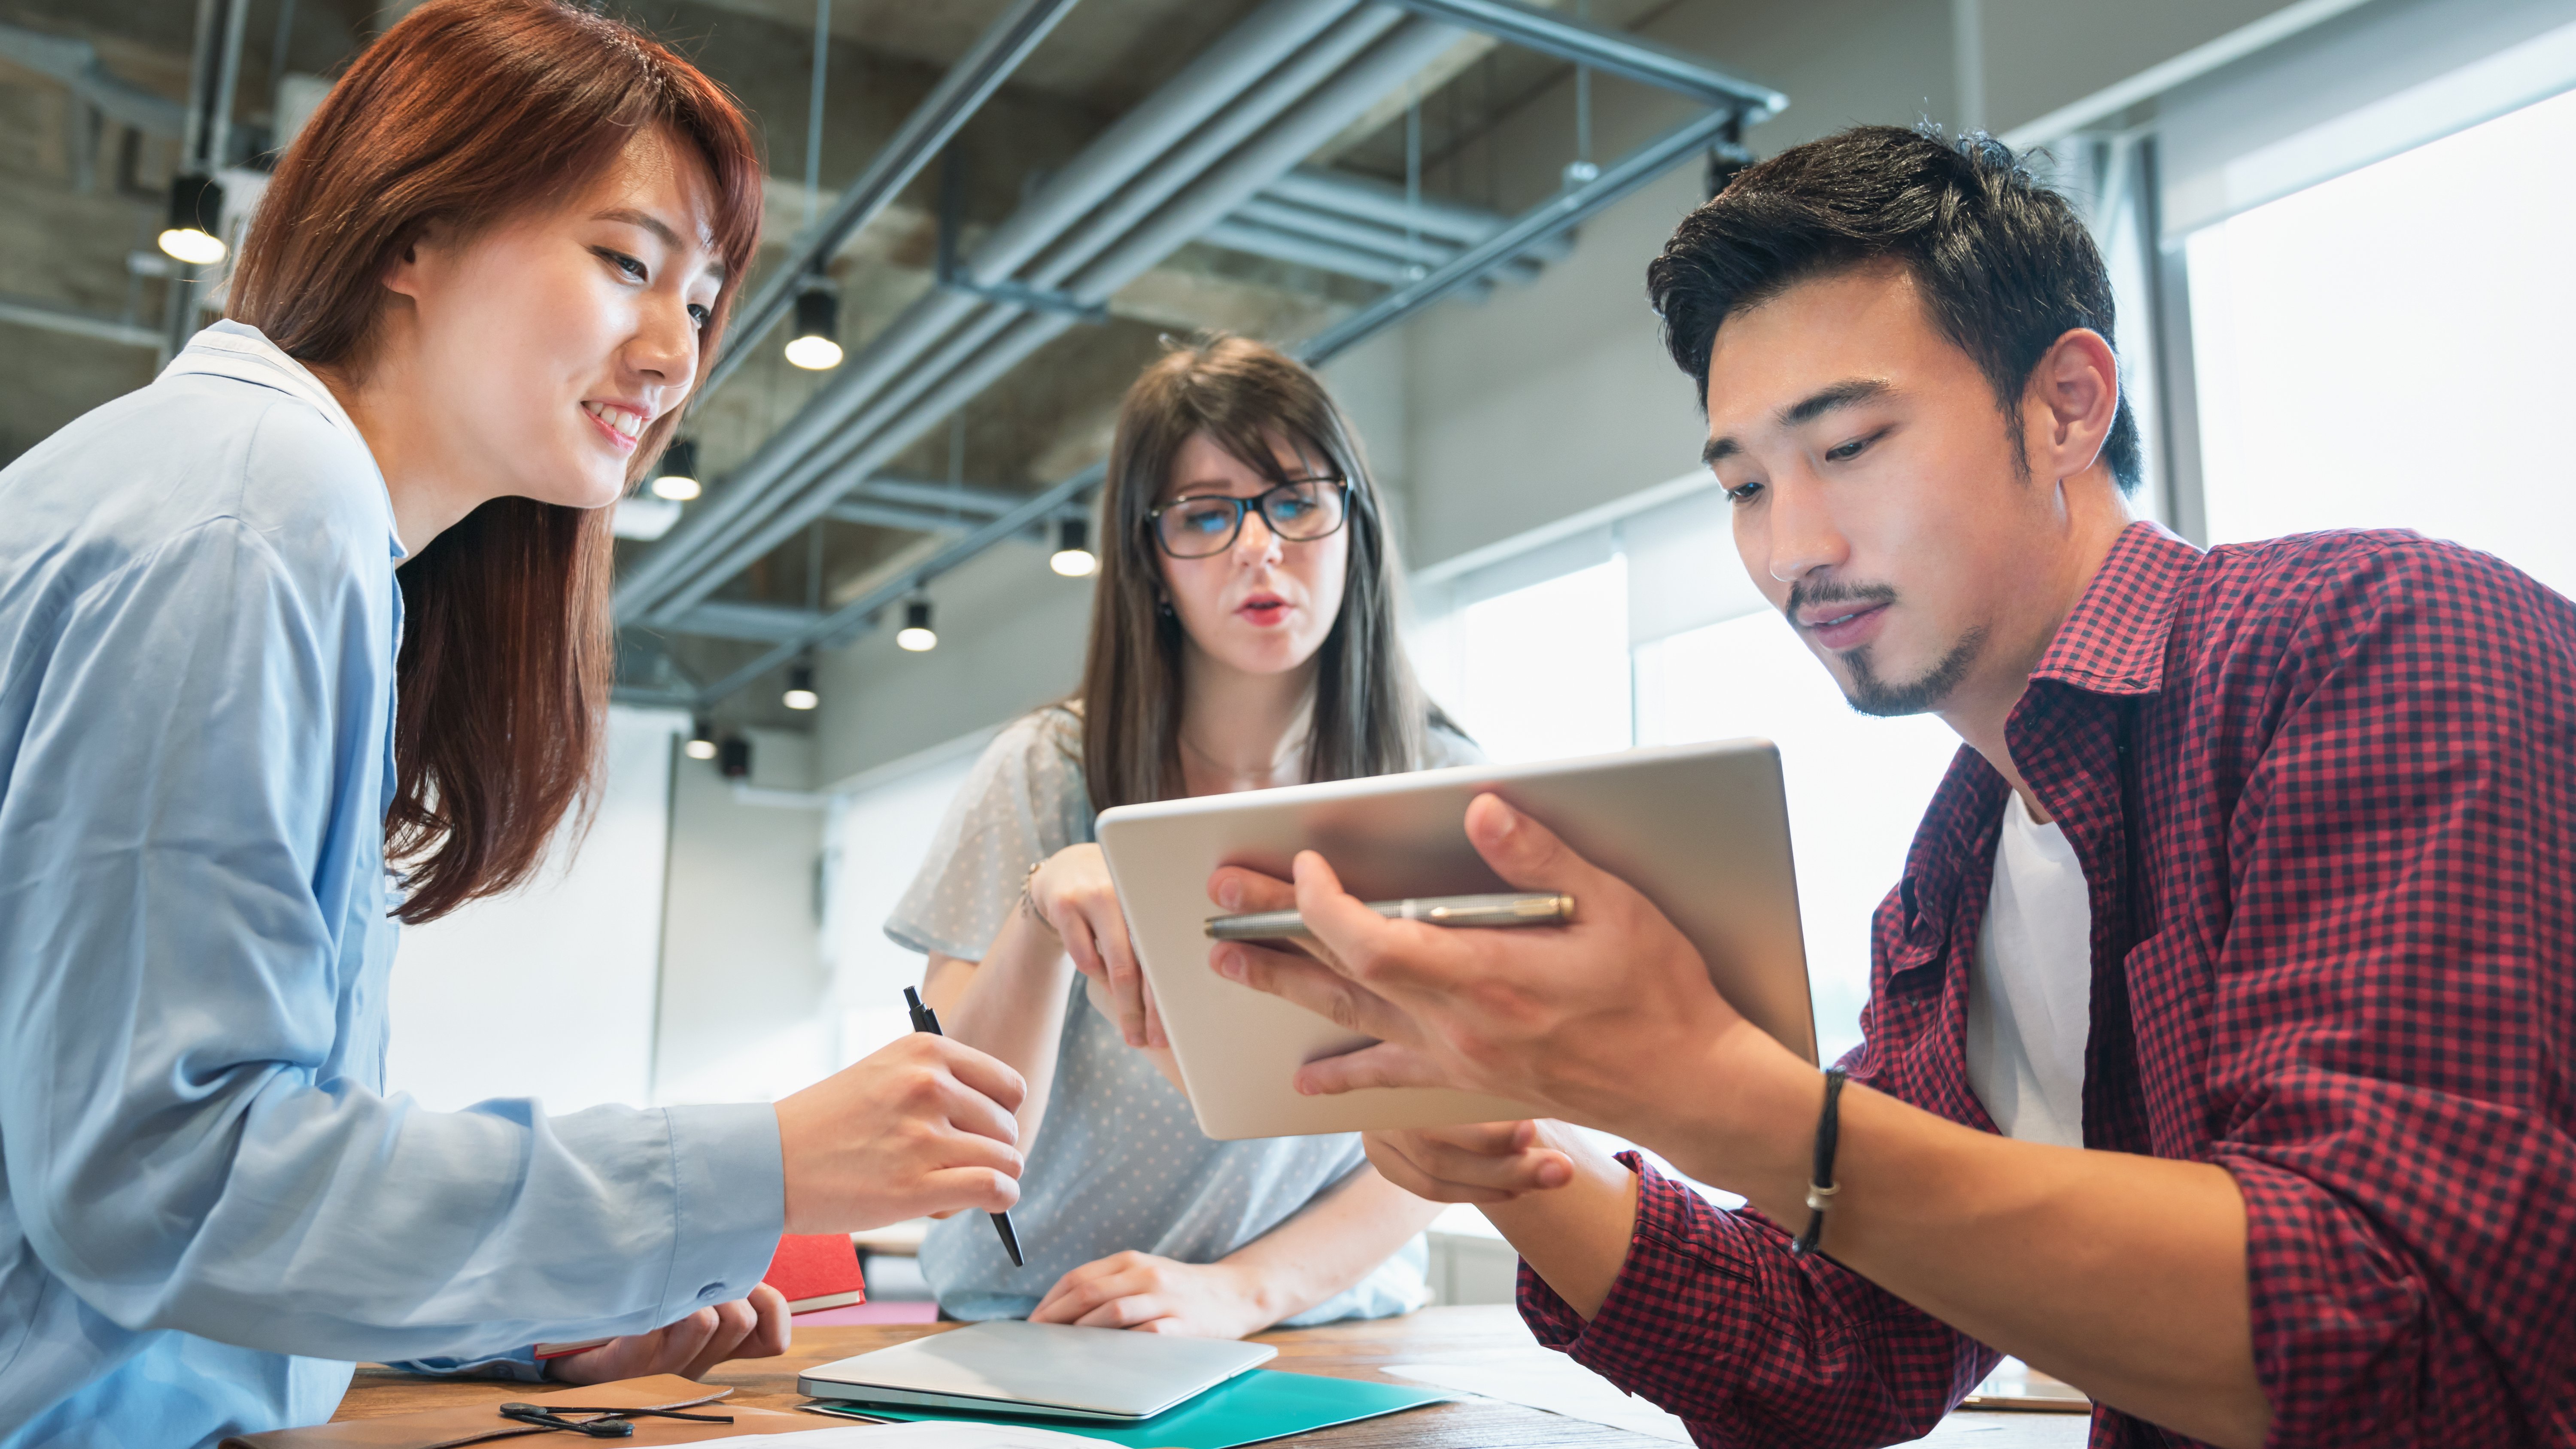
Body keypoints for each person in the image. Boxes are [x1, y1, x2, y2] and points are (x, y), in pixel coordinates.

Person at [1209, 124, 2576, 1449]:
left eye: (1849, 446)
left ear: (2064, 405)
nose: (1793, 547)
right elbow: (1839, 1355)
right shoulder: (1957, 869)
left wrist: (1710, 1088)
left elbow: (2394, 1341)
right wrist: (1518, 1158)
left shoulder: (2375, 637)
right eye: (1744, 484)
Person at [0, 5, 1024, 1444]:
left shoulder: (279, 506)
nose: (674, 353)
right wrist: (760, 1166)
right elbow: (164, 1177)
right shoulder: (260, 508)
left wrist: (515, 1299)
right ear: (408, 237)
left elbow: (152, 1190)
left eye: (703, 300)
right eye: (626, 264)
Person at [889, 335, 1470, 1334]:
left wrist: (1244, 1290)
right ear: (1151, 563)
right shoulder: (1049, 770)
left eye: (1295, 501)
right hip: (1041, 1326)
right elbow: (955, 1151)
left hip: (1326, 1328)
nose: (1259, 547)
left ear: (1353, 528)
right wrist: (1039, 914)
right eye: (1206, 515)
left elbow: (1465, 1121)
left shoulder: (1446, 785)